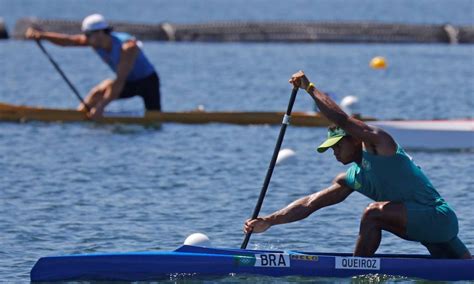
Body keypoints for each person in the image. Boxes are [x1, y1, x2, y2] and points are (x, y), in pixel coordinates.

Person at [244, 70, 472, 259]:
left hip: (437, 217)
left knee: (372, 213)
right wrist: (269, 221)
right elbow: (310, 204)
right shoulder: (353, 177)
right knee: (464, 268)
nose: (334, 152)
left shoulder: (380, 145)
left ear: (354, 139)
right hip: (429, 229)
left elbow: (342, 120)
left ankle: (356, 270)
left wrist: (309, 88)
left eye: (337, 145)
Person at [25, 14, 161, 118]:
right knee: (97, 92)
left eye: (88, 35)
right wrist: (41, 36)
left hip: (148, 83)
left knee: (154, 117)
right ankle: (78, 115)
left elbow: (119, 81)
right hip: (129, 82)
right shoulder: (95, 41)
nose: (86, 38)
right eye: (85, 35)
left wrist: (101, 107)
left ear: (101, 32)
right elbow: (68, 41)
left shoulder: (127, 48)